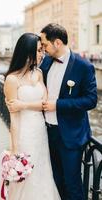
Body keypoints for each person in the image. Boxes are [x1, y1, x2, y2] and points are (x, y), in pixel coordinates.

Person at [39, 23, 97, 200]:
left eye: (44, 44)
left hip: (70, 135)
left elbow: (91, 100)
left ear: (57, 43)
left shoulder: (83, 66)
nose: (42, 48)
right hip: (47, 132)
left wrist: (58, 104)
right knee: (55, 179)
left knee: (72, 184)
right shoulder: (46, 62)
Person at [4, 33, 61, 200]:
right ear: (27, 51)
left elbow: (44, 102)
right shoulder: (12, 80)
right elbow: (14, 118)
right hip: (24, 133)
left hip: (40, 131)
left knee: (42, 172)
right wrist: (14, 149)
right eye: (38, 50)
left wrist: (24, 105)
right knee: (26, 177)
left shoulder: (39, 73)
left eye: (42, 49)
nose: (41, 53)